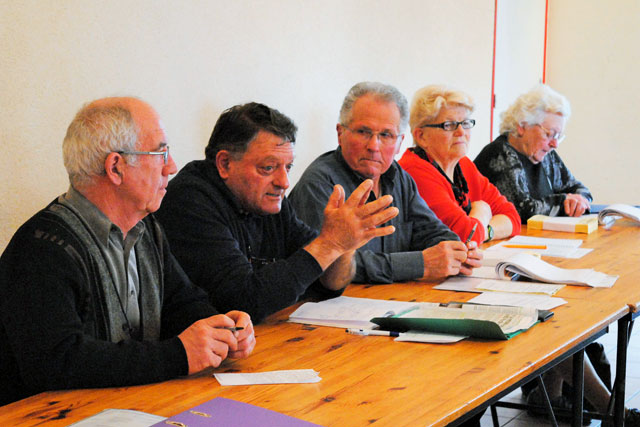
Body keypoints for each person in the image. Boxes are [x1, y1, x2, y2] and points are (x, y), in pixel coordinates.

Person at [0, 97, 256, 406]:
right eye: (160, 152)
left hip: (132, 405)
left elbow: (181, 301)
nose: (171, 166)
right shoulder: (41, 248)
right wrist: (178, 354)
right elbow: (58, 361)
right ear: (116, 167)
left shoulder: (146, 229)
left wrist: (223, 328)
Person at [155, 102, 398, 323]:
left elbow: (328, 283)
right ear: (225, 164)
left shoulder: (269, 201)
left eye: (288, 167)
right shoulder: (190, 200)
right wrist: (331, 243)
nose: (283, 182)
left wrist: (345, 246)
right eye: (268, 168)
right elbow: (243, 301)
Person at [289, 81, 482, 284]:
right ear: (340, 133)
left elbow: (431, 231)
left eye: (386, 135)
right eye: (363, 132)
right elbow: (329, 264)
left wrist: (457, 252)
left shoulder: (398, 176)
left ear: (400, 142)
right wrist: (419, 264)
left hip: (391, 300)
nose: (374, 145)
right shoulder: (320, 184)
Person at [398, 85, 520, 245]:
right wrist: (481, 211)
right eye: (449, 125)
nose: (461, 131)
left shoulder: (463, 165)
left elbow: (512, 217)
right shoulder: (415, 171)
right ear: (421, 136)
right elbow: (464, 236)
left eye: (466, 123)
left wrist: (486, 231)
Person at [474, 84, 592, 223]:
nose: (555, 144)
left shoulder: (546, 155)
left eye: (558, 136)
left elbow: (578, 188)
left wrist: (579, 201)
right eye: (549, 134)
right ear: (523, 126)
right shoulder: (499, 154)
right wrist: (564, 202)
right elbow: (522, 210)